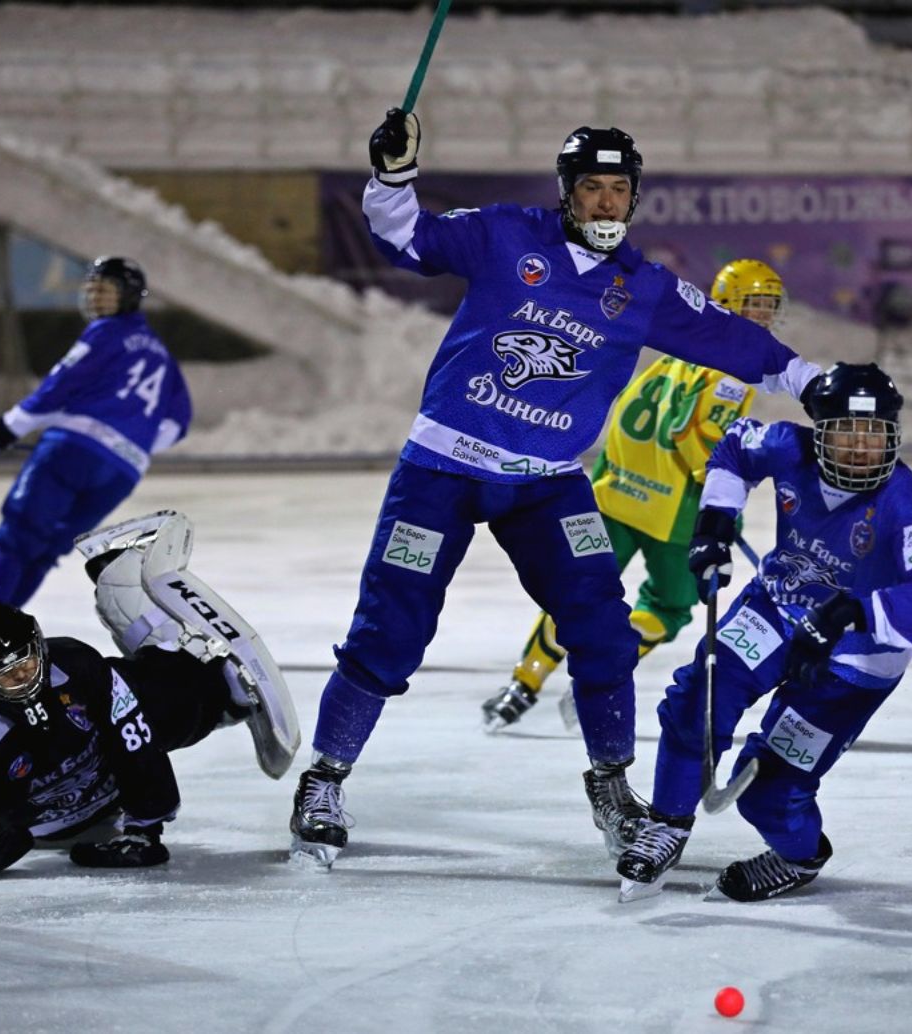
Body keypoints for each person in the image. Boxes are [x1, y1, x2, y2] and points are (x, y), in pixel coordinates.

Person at [286, 108, 826, 872]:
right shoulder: (507, 234)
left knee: (603, 627)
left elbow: (738, 342)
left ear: (632, 198)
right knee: (390, 631)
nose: (605, 203)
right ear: (567, 193)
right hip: (441, 470)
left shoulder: (643, 287)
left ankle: (611, 788)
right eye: (591, 188)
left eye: (618, 189)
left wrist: (816, 381)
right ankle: (325, 778)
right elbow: (408, 237)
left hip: (547, 486)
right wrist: (392, 176)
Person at [614, 363, 912, 902]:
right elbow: (733, 449)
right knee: (699, 701)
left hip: (855, 660)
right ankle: (667, 824)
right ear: (818, 432)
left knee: (772, 790)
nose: (861, 451)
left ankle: (800, 857)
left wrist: (850, 613)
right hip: (777, 606)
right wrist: (714, 524)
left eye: (875, 436)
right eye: (845, 435)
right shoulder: (787, 446)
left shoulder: (902, 502)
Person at [0, 510, 300, 878]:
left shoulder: (72, 665)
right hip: (68, 825)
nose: (22, 677)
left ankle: (142, 607)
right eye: (4, 674)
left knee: (154, 701)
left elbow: (134, 737)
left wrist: (145, 828)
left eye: (27, 662)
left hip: (107, 796)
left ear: (40, 647)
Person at [481, 258, 785, 732]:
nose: (763, 316)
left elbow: (627, 415)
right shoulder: (731, 370)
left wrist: (605, 480)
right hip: (674, 514)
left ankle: (524, 682)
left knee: (578, 594)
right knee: (667, 607)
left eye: (770, 306)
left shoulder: (680, 352)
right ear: (728, 304)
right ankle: (593, 685)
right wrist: (727, 497)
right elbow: (692, 435)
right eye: (754, 305)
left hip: (614, 494)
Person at [0, 256, 191, 624]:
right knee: (46, 549)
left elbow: (60, 386)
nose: (95, 297)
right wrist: (127, 443)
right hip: (121, 474)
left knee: (17, 538)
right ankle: (5, 624)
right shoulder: (161, 354)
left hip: (70, 453)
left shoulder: (105, 333)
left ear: (128, 297)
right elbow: (178, 424)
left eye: (105, 290)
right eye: (92, 289)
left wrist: (6, 429)